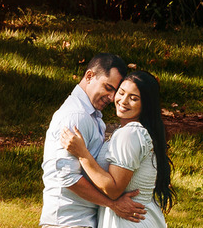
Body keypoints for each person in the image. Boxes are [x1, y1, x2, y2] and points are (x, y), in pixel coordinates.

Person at [41, 54, 147, 227]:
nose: (112, 97)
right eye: (108, 87)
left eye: (115, 91)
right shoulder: (76, 116)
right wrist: (113, 204)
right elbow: (67, 177)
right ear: (89, 76)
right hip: (69, 222)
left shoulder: (91, 115)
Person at [59, 70, 175, 228]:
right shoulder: (131, 132)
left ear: (145, 105)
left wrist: (82, 154)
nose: (124, 101)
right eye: (121, 93)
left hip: (130, 221)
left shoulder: (131, 133)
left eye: (133, 98)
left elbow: (113, 190)